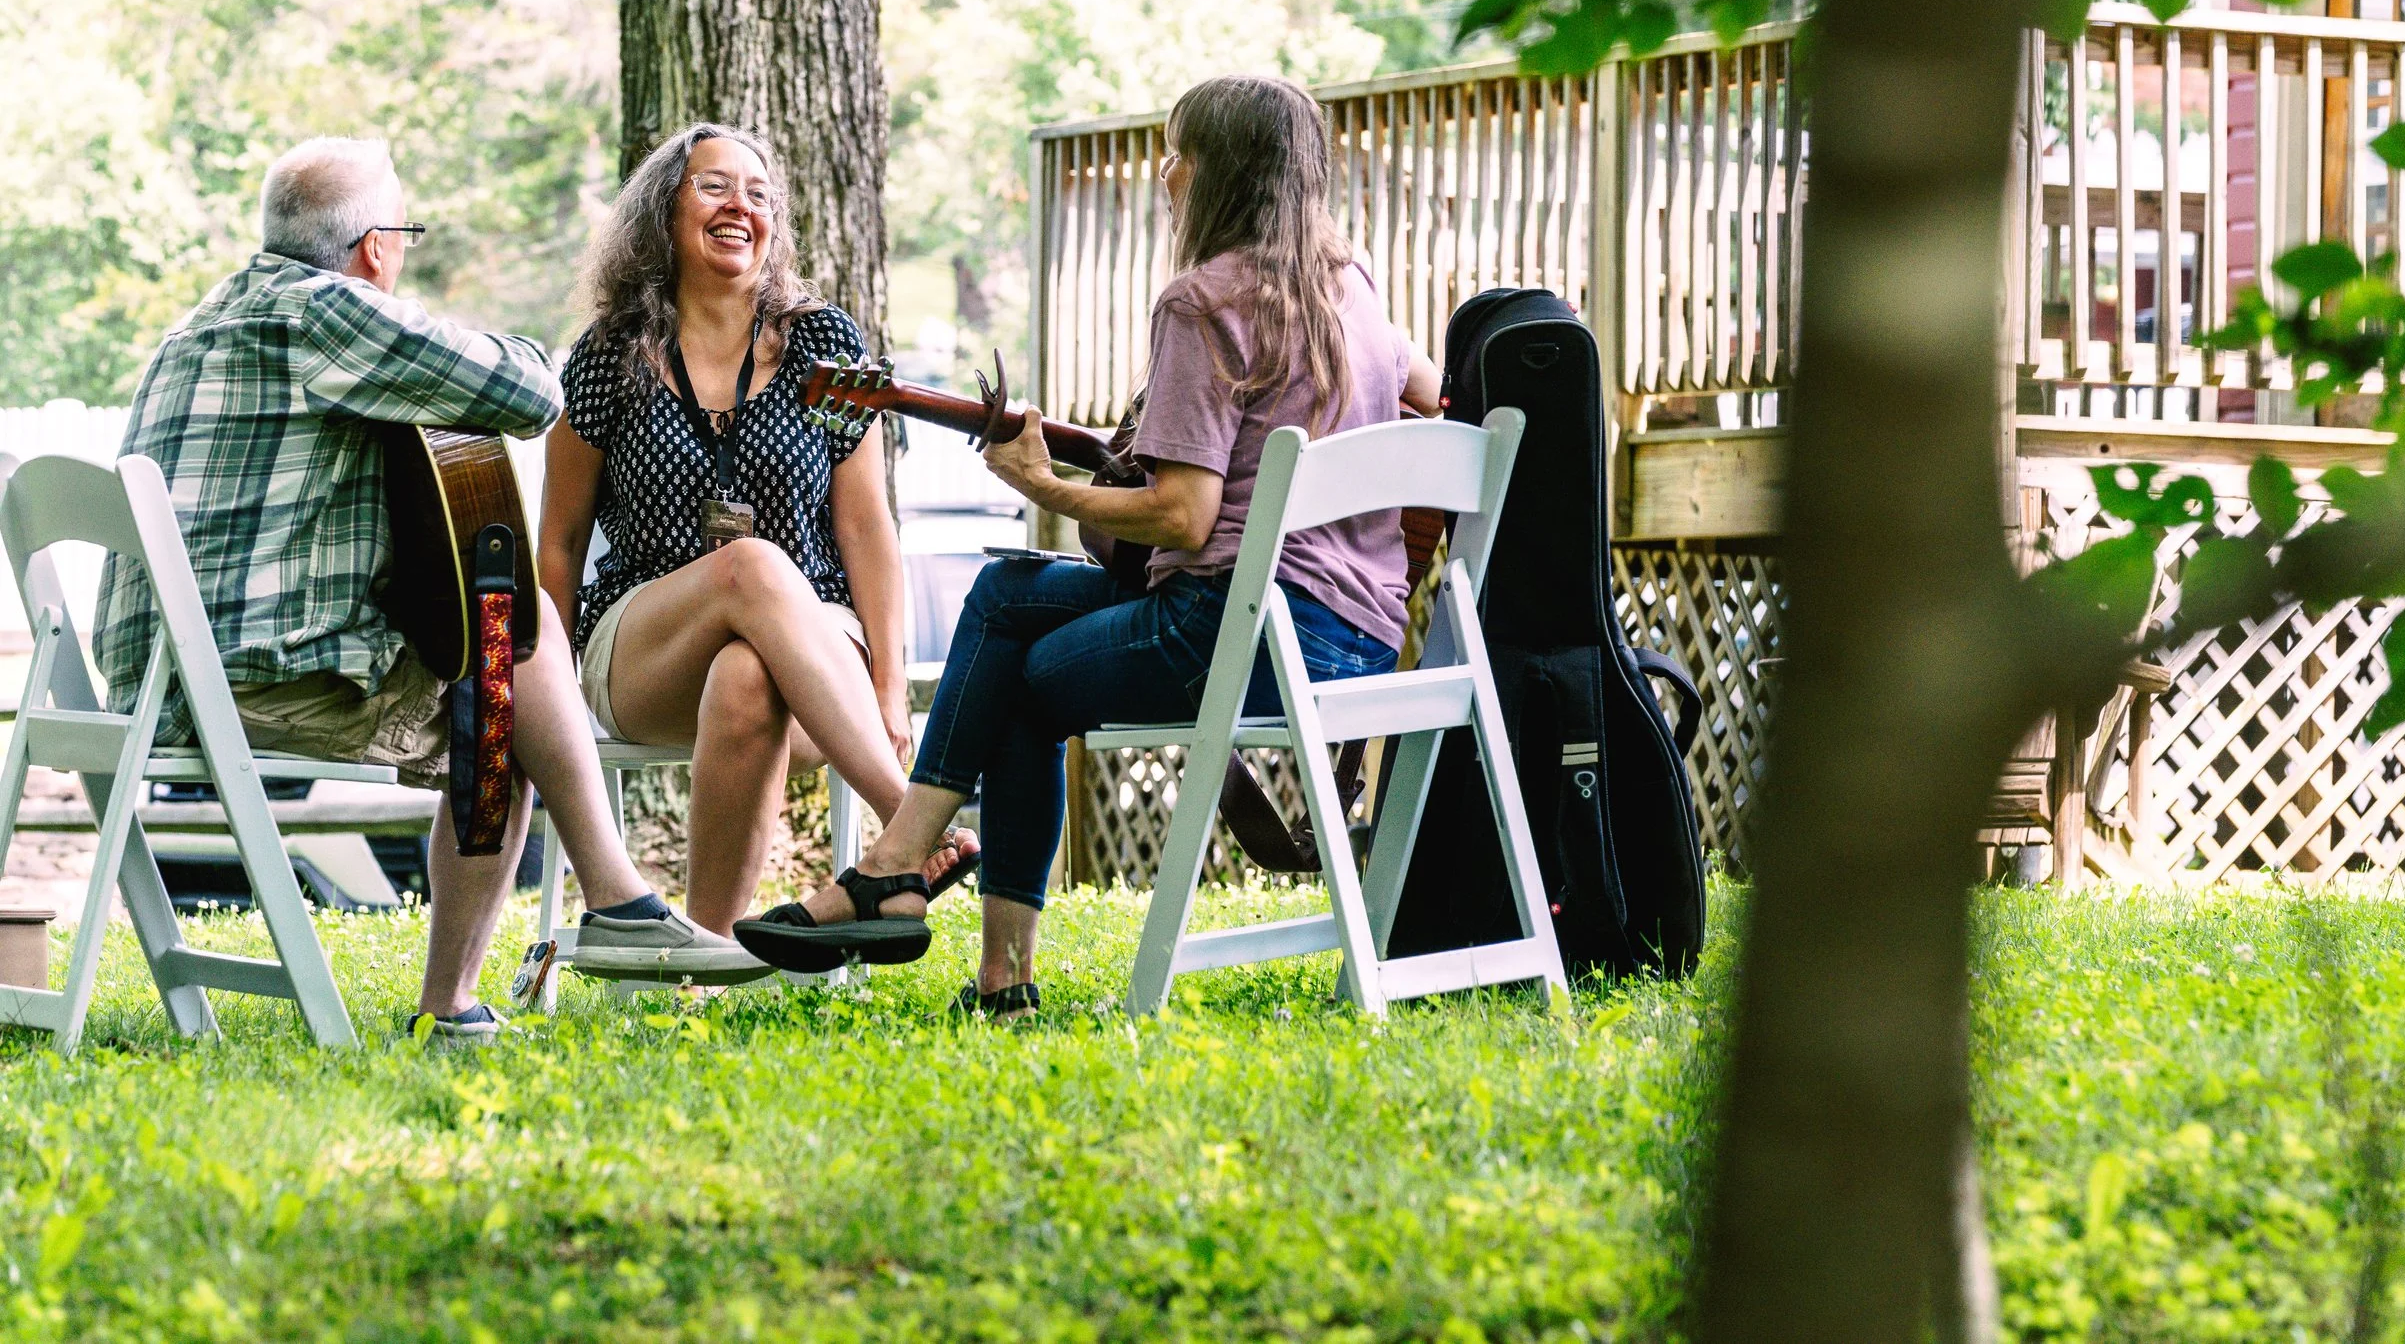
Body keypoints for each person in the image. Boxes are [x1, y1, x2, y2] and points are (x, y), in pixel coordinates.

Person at [733, 74, 1439, 1019]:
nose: (1165, 169)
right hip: (1356, 641)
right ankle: (929, 901)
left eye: (1179, 150)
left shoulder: (1203, 303)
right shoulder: (1350, 287)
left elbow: (1185, 517)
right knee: (1006, 600)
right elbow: (1429, 394)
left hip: (1238, 633)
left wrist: (1039, 485)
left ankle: (926, 898)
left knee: (1013, 678)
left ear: (1222, 171)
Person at [94, 138, 754, 1044]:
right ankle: (572, 928)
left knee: (510, 659)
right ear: (374, 247)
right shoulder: (327, 315)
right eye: (401, 233)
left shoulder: (200, 324)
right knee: (504, 676)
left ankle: (599, 910)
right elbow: (527, 387)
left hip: (150, 679)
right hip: (239, 681)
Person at [540, 123, 977, 937]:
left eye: (759, 193)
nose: (740, 204)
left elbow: (865, 524)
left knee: (747, 670)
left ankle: (702, 962)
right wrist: (553, 694)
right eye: (714, 185)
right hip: (647, 643)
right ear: (662, 211)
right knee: (749, 564)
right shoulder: (606, 356)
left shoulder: (824, 342)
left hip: (815, 646)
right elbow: (560, 541)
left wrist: (887, 689)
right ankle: (912, 829)